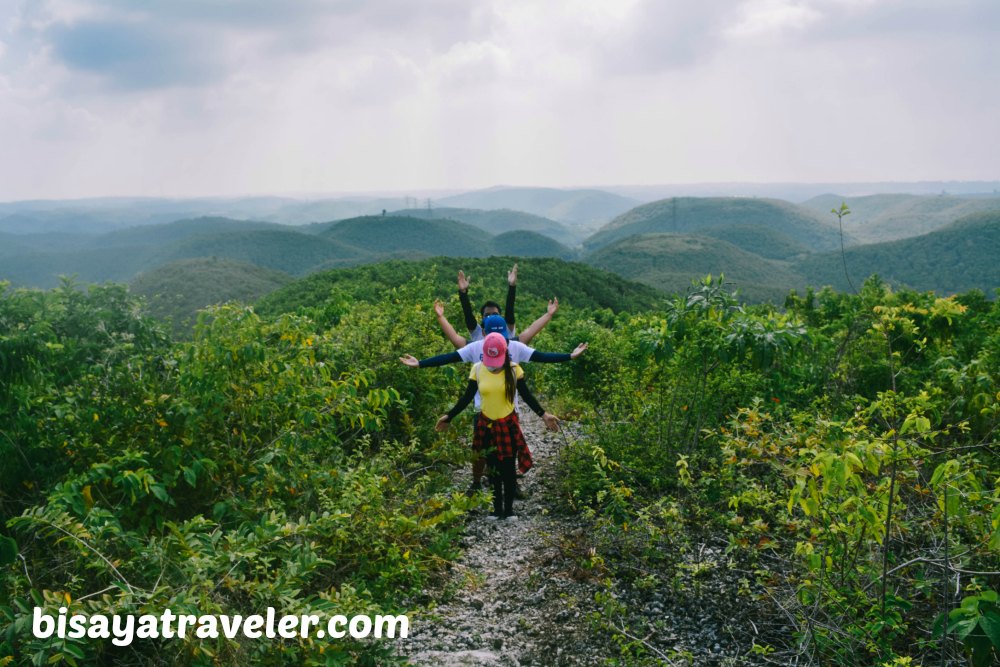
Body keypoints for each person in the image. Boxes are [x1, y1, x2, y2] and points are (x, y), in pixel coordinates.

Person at [401, 314, 587, 492]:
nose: (501, 340)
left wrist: (569, 356)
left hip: (508, 409)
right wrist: (421, 364)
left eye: (503, 335)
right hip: (481, 409)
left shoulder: (514, 346)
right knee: (480, 451)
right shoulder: (476, 348)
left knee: (510, 450)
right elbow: (449, 358)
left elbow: (542, 356)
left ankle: (511, 484)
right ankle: (476, 483)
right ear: (484, 334)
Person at [436, 333, 559, 519]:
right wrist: (449, 416)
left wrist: (544, 415)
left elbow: (527, 396)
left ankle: (509, 511)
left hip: (507, 424)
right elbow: (467, 397)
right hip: (486, 425)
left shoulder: (514, 370)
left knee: (508, 470)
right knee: (492, 469)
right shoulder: (477, 369)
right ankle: (496, 510)